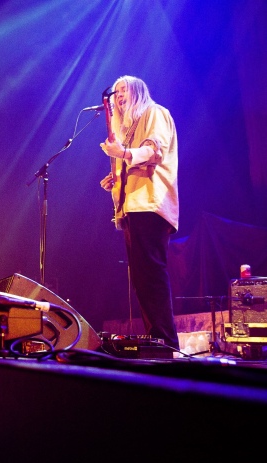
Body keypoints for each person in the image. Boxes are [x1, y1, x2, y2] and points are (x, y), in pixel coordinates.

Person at [99, 75, 180, 350]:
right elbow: (134, 157)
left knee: (152, 275)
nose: (119, 96)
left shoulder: (155, 113)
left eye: (124, 90)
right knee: (143, 279)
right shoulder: (129, 129)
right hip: (133, 207)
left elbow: (154, 149)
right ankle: (158, 339)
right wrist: (116, 177)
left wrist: (122, 153)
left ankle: (166, 342)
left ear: (138, 91)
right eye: (116, 92)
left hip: (150, 204)